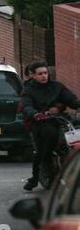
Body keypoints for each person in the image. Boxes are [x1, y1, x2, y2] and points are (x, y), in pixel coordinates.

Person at [21, 61, 80, 191]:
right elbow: (26, 106)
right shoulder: (29, 90)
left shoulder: (57, 86)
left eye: (45, 73)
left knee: (76, 128)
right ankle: (35, 178)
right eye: (40, 74)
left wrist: (78, 105)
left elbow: (70, 99)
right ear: (33, 75)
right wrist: (35, 114)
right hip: (40, 122)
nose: (44, 76)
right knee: (45, 145)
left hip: (59, 119)